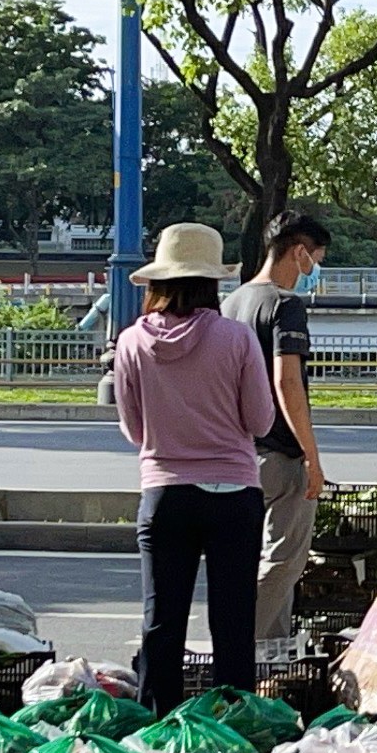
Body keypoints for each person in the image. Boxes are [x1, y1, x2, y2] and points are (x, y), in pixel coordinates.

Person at [114, 223, 275, 715]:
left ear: (158, 282)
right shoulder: (237, 338)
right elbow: (261, 420)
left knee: (162, 621)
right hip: (234, 495)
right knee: (232, 622)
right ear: (213, 281)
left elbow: (134, 432)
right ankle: (236, 726)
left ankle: (158, 726)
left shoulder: (130, 343)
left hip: (165, 494)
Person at [221, 210, 332, 640]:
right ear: (300, 253)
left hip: (238, 452)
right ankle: (236, 644)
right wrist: (311, 456)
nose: (315, 269)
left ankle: (272, 655)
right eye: (316, 258)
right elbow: (287, 382)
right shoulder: (286, 306)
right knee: (286, 561)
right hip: (281, 452)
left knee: (256, 561)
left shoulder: (232, 304)